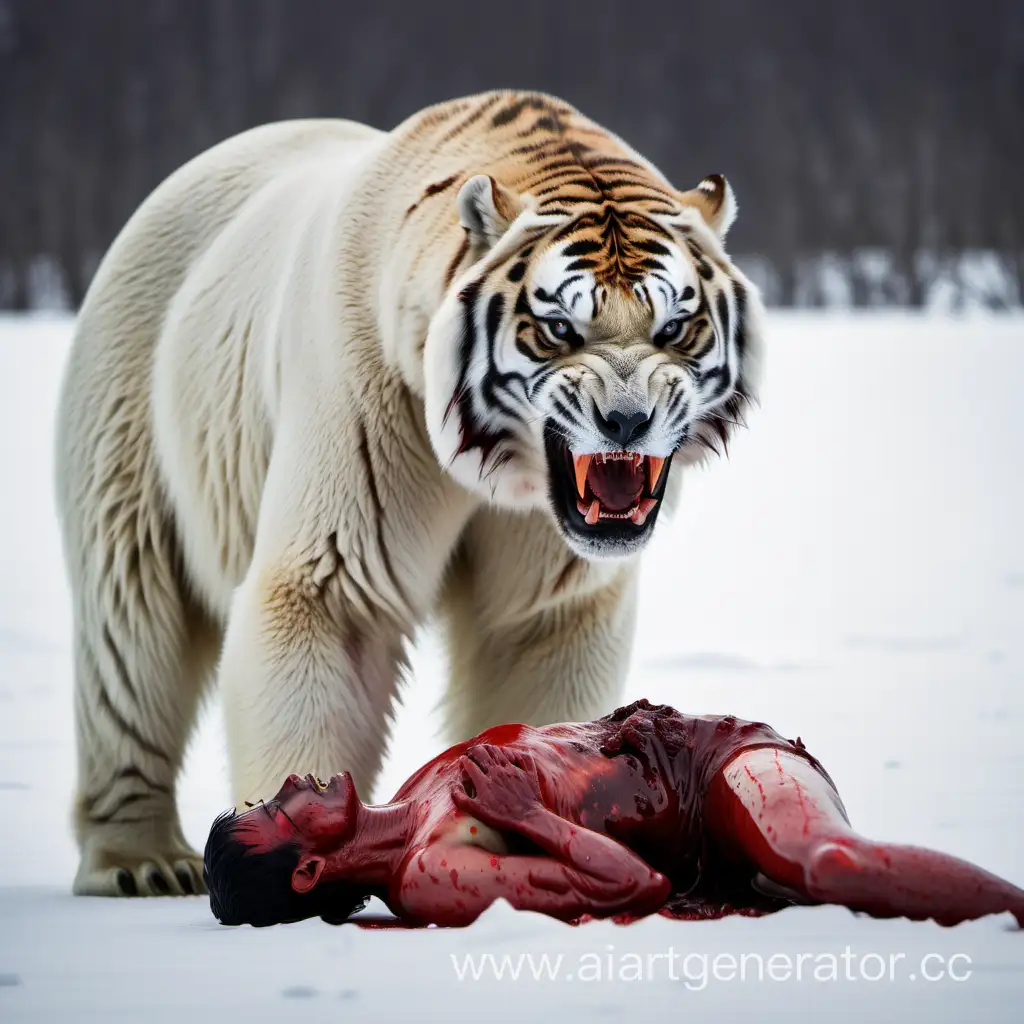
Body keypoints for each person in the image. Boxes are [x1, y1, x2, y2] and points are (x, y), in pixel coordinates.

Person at [203, 700, 1024, 928]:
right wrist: (534, 817)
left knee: (820, 864)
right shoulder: (432, 873)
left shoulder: (411, 794)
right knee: (825, 866)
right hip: (710, 800)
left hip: (705, 745)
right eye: (277, 810)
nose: (289, 782)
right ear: (307, 868)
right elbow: (633, 886)